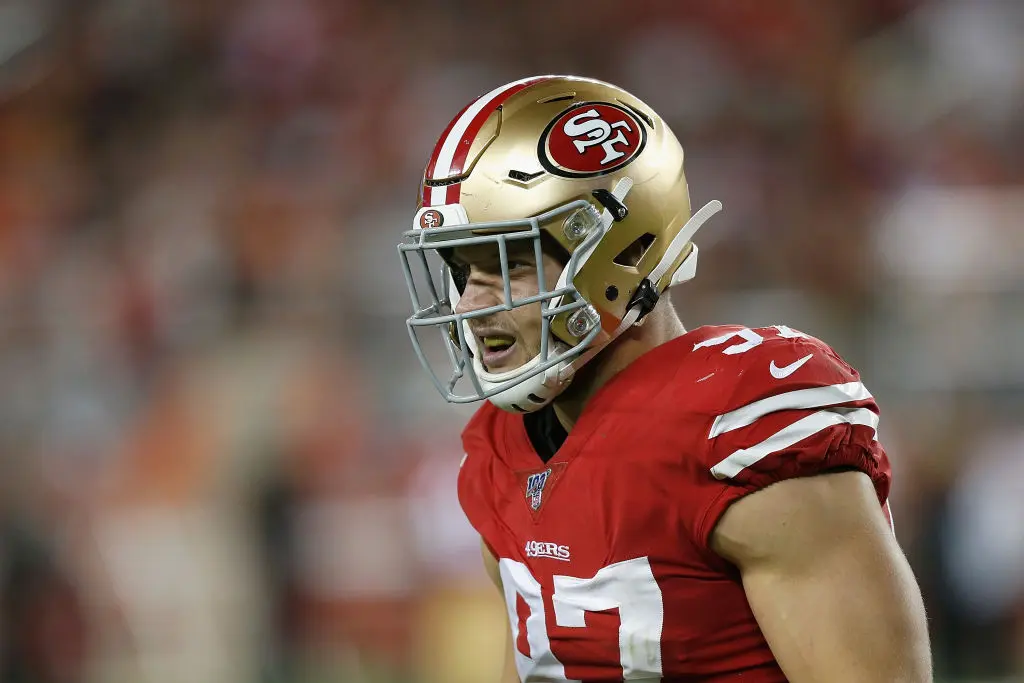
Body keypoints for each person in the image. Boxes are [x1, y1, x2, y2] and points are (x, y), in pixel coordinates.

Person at [397, 75, 932, 682]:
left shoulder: (741, 426)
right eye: (462, 270)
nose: (471, 305)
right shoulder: (500, 454)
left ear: (617, 254)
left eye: (509, 266)